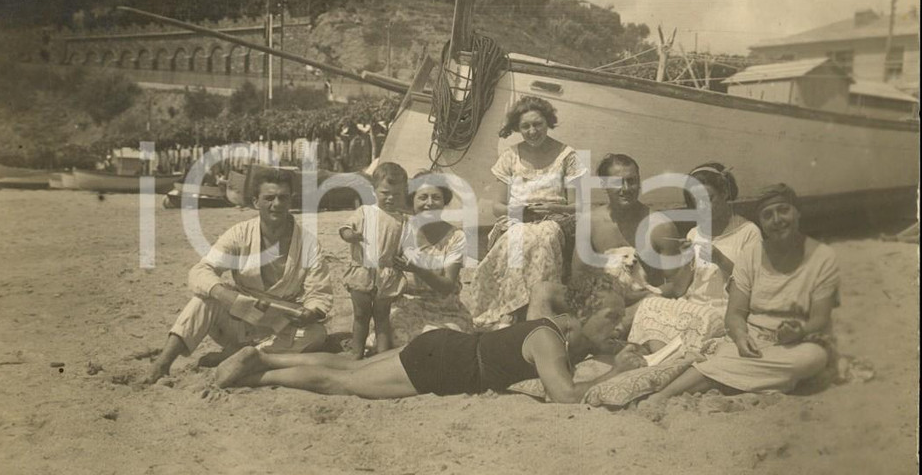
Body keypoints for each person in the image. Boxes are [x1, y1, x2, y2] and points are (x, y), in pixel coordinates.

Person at [212, 273, 646, 402]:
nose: (619, 325)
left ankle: (265, 360)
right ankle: (256, 378)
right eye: (611, 317)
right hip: (444, 364)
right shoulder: (549, 340)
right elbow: (565, 396)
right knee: (342, 383)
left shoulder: (557, 334)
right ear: (581, 315)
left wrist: (624, 356)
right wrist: (615, 374)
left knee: (352, 366)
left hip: (445, 345)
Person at [648, 183, 840, 399]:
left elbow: (821, 318)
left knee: (809, 359)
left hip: (801, 342)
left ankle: (724, 378)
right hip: (755, 336)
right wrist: (740, 336)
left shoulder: (821, 257)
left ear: (797, 212)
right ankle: (663, 396)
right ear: (763, 222)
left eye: (783, 210)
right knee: (728, 352)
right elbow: (735, 313)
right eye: (768, 215)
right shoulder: (751, 256)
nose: (777, 220)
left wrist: (799, 331)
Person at [144, 170, 333, 384]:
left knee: (317, 333)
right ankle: (162, 363)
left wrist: (310, 312)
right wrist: (225, 296)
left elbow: (320, 292)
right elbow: (200, 271)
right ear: (255, 202)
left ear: (291, 200)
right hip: (239, 318)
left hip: (280, 324)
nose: (277, 204)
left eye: (283, 197)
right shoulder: (240, 234)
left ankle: (243, 356)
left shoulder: (308, 243)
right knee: (203, 300)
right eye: (269, 198)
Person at [467, 96, 587, 327]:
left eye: (538, 124)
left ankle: (536, 309)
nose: (532, 131)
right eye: (525, 126)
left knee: (545, 236)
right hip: (518, 219)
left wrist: (552, 207)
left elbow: (579, 205)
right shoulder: (511, 156)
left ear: (548, 122)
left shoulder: (566, 155)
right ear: (517, 128)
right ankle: (508, 309)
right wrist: (519, 210)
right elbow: (497, 207)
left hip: (556, 219)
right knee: (517, 238)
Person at [626, 162, 763, 354]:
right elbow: (680, 288)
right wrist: (687, 260)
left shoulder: (748, 232)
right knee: (649, 304)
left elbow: (754, 286)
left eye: (709, 198)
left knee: (698, 319)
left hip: (724, 312)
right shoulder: (694, 233)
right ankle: (664, 357)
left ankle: (664, 357)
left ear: (725, 192)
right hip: (693, 307)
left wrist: (720, 260)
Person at [571, 153, 681, 328]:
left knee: (649, 303)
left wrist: (640, 297)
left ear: (639, 182)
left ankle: (602, 334)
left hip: (642, 305)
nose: (626, 188)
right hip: (601, 303)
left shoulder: (660, 226)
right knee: (543, 291)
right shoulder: (590, 223)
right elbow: (577, 279)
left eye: (632, 181)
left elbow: (677, 284)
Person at [389, 171, 473, 344]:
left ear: (444, 202)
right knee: (401, 337)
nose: (429, 203)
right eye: (423, 197)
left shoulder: (455, 237)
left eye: (436, 197)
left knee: (443, 341)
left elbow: (447, 287)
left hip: (445, 310)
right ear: (412, 200)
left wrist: (418, 269)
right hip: (408, 307)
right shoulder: (401, 229)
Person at [339, 162, 409, 359]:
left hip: (387, 274)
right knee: (361, 316)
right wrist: (350, 235)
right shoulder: (364, 211)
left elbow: (406, 245)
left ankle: (382, 356)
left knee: (382, 317)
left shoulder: (403, 220)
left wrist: (406, 256)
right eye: (385, 192)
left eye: (397, 194)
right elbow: (345, 229)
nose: (391, 198)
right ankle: (356, 353)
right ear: (374, 190)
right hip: (362, 270)